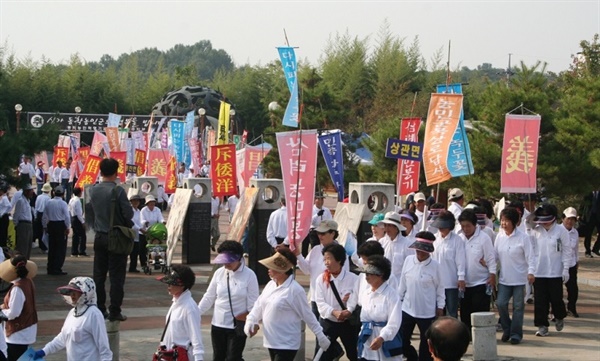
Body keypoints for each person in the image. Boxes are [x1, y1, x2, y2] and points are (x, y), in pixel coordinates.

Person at [245, 249, 331, 361]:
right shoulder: (270, 285)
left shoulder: (295, 290)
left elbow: (307, 315)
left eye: (272, 267)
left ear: (282, 270)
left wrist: (320, 336)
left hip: (286, 344)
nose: (269, 270)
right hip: (271, 342)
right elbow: (259, 305)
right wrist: (251, 320)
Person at [198, 241, 259, 361]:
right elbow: (209, 296)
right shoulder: (219, 273)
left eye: (229, 261)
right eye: (223, 260)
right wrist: (196, 312)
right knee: (218, 357)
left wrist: (253, 321)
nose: (226, 264)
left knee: (233, 358)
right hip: (218, 324)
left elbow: (254, 302)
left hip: (238, 325)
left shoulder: (250, 275)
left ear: (239, 258)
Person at [89, 158, 134, 322]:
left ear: (100, 171)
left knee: (99, 276)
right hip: (116, 238)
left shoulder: (93, 190)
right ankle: (115, 310)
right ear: (116, 172)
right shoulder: (118, 191)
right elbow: (129, 214)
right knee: (116, 277)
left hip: (99, 236)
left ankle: (99, 308)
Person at [32, 277, 112, 361]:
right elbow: (63, 338)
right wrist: (44, 351)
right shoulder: (72, 312)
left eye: (76, 292)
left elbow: (104, 348)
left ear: (86, 293)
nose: (72, 295)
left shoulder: (94, 314)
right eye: (71, 292)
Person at [399, 232, 445, 361]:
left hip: (427, 312)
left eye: (423, 251)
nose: (420, 253)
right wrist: (398, 301)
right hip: (407, 309)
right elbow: (402, 284)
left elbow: (440, 288)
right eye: (418, 250)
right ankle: (412, 357)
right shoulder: (408, 261)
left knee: (426, 345)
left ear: (429, 252)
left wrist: (440, 306)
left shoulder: (436, 266)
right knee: (402, 341)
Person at [494, 207, 535, 345]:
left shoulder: (523, 238)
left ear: (514, 222)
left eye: (506, 221)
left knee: (518, 307)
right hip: (504, 279)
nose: (504, 223)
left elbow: (531, 257)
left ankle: (516, 334)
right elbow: (494, 256)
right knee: (500, 303)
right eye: (502, 220)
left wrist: (531, 272)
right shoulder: (499, 237)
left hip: (519, 279)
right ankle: (507, 328)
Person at [530, 204, 571, 337]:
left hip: (556, 271)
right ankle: (542, 325)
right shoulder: (535, 230)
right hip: (539, 271)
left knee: (556, 299)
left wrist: (566, 269)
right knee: (540, 300)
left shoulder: (561, 231)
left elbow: (566, 250)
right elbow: (531, 251)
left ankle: (559, 316)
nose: (545, 223)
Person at [315, 243, 359, 361]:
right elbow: (320, 302)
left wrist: (349, 309)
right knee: (323, 355)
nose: (326, 262)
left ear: (339, 260)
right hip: (328, 322)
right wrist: (334, 312)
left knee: (354, 353)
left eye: (329, 258)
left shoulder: (354, 279)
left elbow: (358, 299)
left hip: (347, 323)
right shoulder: (321, 279)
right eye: (324, 259)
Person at [457, 209, 496, 332]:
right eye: (463, 226)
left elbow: (490, 258)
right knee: (465, 313)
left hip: (481, 282)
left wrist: (492, 275)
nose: (466, 229)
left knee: (480, 312)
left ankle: (482, 335)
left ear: (475, 225)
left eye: (468, 226)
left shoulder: (484, 238)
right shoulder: (459, 239)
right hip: (465, 283)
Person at [357, 255, 403, 361]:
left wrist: (382, 337)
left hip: (386, 340)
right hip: (368, 339)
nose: (366, 276)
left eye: (370, 273)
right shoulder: (366, 294)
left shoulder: (392, 295)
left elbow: (394, 323)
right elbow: (364, 319)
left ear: (381, 275)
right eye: (366, 273)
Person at [157, 264, 204, 361]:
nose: (168, 286)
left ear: (182, 286)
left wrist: (198, 358)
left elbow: (196, 336)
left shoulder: (189, 307)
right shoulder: (176, 302)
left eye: (171, 283)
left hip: (181, 356)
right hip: (168, 354)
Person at [0, 256, 38, 361]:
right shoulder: (28, 281)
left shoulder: (17, 288)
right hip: (27, 329)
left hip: (17, 334)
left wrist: (1, 313)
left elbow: (13, 312)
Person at [431, 211, 466, 318]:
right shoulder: (434, 239)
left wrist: (461, 277)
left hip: (451, 282)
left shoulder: (457, 240)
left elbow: (460, 260)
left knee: (452, 311)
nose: (441, 228)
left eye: (444, 226)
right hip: (436, 282)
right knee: (437, 311)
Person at [42, 186, 71, 275]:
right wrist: (67, 227)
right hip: (60, 225)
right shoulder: (63, 203)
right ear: (62, 194)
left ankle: (50, 267)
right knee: (60, 248)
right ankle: (57, 268)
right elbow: (67, 216)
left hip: (51, 225)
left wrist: (45, 226)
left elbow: (44, 216)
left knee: (52, 247)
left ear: (54, 193)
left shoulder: (49, 202)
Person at [379, 211, 413, 280]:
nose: (387, 228)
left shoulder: (407, 244)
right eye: (385, 225)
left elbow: (411, 267)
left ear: (397, 228)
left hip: (399, 283)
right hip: (384, 282)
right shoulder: (382, 242)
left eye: (389, 225)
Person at [561, 207, 580, 318]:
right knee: (557, 289)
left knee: (573, 289)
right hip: (558, 264)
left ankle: (571, 308)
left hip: (571, 263)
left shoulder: (575, 233)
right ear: (563, 218)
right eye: (568, 219)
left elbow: (576, 248)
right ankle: (558, 309)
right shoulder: (557, 230)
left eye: (573, 219)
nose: (570, 221)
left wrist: (577, 260)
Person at [302, 192, 333, 257]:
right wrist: (317, 215)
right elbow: (309, 221)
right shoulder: (311, 209)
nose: (320, 201)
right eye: (318, 199)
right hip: (314, 230)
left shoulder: (326, 210)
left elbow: (330, 220)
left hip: (324, 230)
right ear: (315, 200)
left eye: (322, 199)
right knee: (315, 247)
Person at [11, 184, 35, 259]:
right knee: (22, 247)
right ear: (26, 192)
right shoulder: (20, 201)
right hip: (23, 224)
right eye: (31, 191)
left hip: (29, 224)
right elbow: (16, 214)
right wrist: (17, 225)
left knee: (28, 246)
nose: (32, 193)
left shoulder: (27, 201)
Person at [140, 195, 164, 271]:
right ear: (147, 204)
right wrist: (145, 222)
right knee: (144, 249)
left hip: (155, 231)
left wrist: (163, 222)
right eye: (150, 203)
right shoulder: (143, 210)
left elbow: (160, 218)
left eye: (153, 203)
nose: (152, 205)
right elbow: (141, 220)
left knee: (155, 248)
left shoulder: (157, 210)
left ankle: (156, 263)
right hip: (146, 231)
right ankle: (144, 264)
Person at [578, 189, 600, 257]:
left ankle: (596, 248)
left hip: (598, 217)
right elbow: (583, 204)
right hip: (589, 217)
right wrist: (580, 214)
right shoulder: (588, 192)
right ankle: (588, 251)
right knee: (588, 234)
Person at [69, 186, 87, 257]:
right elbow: (79, 213)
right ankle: (81, 251)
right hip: (77, 218)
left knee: (75, 235)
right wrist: (82, 222)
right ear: (79, 193)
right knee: (82, 235)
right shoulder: (77, 201)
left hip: (73, 217)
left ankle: (74, 251)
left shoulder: (71, 200)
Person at [33, 183, 52, 253]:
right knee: (45, 231)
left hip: (38, 214)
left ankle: (41, 246)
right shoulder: (48, 198)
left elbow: (36, 207)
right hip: (45, 214)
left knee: (39, 232)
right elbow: (48, 209)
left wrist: (35, 216)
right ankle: (45, 247)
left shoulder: (39, 197)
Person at [128, 194, 143, 273]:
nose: (136, 202)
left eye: (137, 201)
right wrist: (140, 228)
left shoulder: (139, 211)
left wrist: (143, 228)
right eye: (134, 201)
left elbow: (140, 222)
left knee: (135, 252)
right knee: (129, 251)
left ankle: (133, 267)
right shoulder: (130, 211)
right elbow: (132, 222)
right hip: (130, 233)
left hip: (137, 234)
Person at [0, 182, 12, 248]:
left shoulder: (4, 198)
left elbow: (9, 206)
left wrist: (3, 213)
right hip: (1, 217)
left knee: (3, 233)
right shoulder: (1, 198)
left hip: (3, 217)